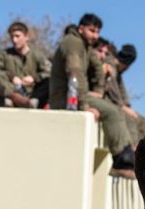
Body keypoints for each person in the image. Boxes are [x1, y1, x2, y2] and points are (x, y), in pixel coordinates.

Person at [49, 13, 134, 171]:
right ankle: (121, 158)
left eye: (98, 32)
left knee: (116, 110)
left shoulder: (86, 46)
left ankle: (129, 152)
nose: (96, 35)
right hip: (66, 97)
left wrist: (98, 91)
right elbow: (74, 73)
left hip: (78, 94)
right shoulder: (73, 43)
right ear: (81, 29)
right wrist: (84, 105)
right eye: (92, 30)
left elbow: (98, 71)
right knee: (112, 111)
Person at [0, 21, 51, 109]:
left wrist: (34, 78)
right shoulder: (4, 55)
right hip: (10, 92)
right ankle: (14, 97)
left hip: (33, 95)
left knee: (50, 80)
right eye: (12, 37)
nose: (14, 40)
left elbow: (50, 71)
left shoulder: (37, 55)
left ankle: (31, 101)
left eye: (17, 36)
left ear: (26, 37)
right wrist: (11, 77)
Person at [103, 44, 145, 148]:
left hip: (118, 104)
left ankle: (139, 150)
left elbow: (123, 93)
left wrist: (127, 106)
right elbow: (111, 90)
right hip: (109, 102)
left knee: (142, 121)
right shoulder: (110, 64)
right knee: (130, 119)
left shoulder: (119, 71)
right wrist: (123, 107)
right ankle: (132, 150)